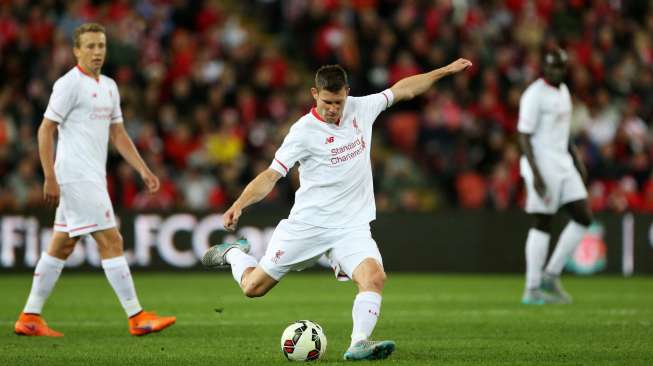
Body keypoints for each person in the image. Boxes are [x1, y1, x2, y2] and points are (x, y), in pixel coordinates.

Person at [202, 59, 472, 360]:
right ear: (314, 94)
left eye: (339, 101)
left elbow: (404, 89)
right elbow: (271, 175)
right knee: (254, 288)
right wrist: (239, 204)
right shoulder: (303, 131)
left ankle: (359, 343)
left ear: (348, 93)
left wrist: (444, 72)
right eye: (327, 102)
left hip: (351, 226)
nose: (333, 108)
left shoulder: (361, 108)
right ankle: (234, 253)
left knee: (374, 278)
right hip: (309, 225)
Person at [14, 23, 175, 337]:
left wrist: (143, 169)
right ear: (76, 50)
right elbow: (45, 129)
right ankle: (136, 316)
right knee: (111, 240)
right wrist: (49, 176)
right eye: (90, 46)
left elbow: (118, 133)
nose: (97, 52)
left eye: (101, 46)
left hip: (92, 176)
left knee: (62, 246)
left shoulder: (110, 86)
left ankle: (30, 317)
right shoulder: (68, 84)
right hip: (75, 177)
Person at [517, 48, 593, 305]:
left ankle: (551, 274)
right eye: (552, 67)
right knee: (543, 221)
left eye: (560, 67)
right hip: (542, 162)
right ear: (544, 67)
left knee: (584, 217)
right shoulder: (534, 95)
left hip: (563, 162)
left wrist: (576, 158)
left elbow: (564, 131)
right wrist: (535, 174)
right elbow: (524, 135)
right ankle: (532, 287)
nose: (556, 71)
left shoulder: (563, 91)